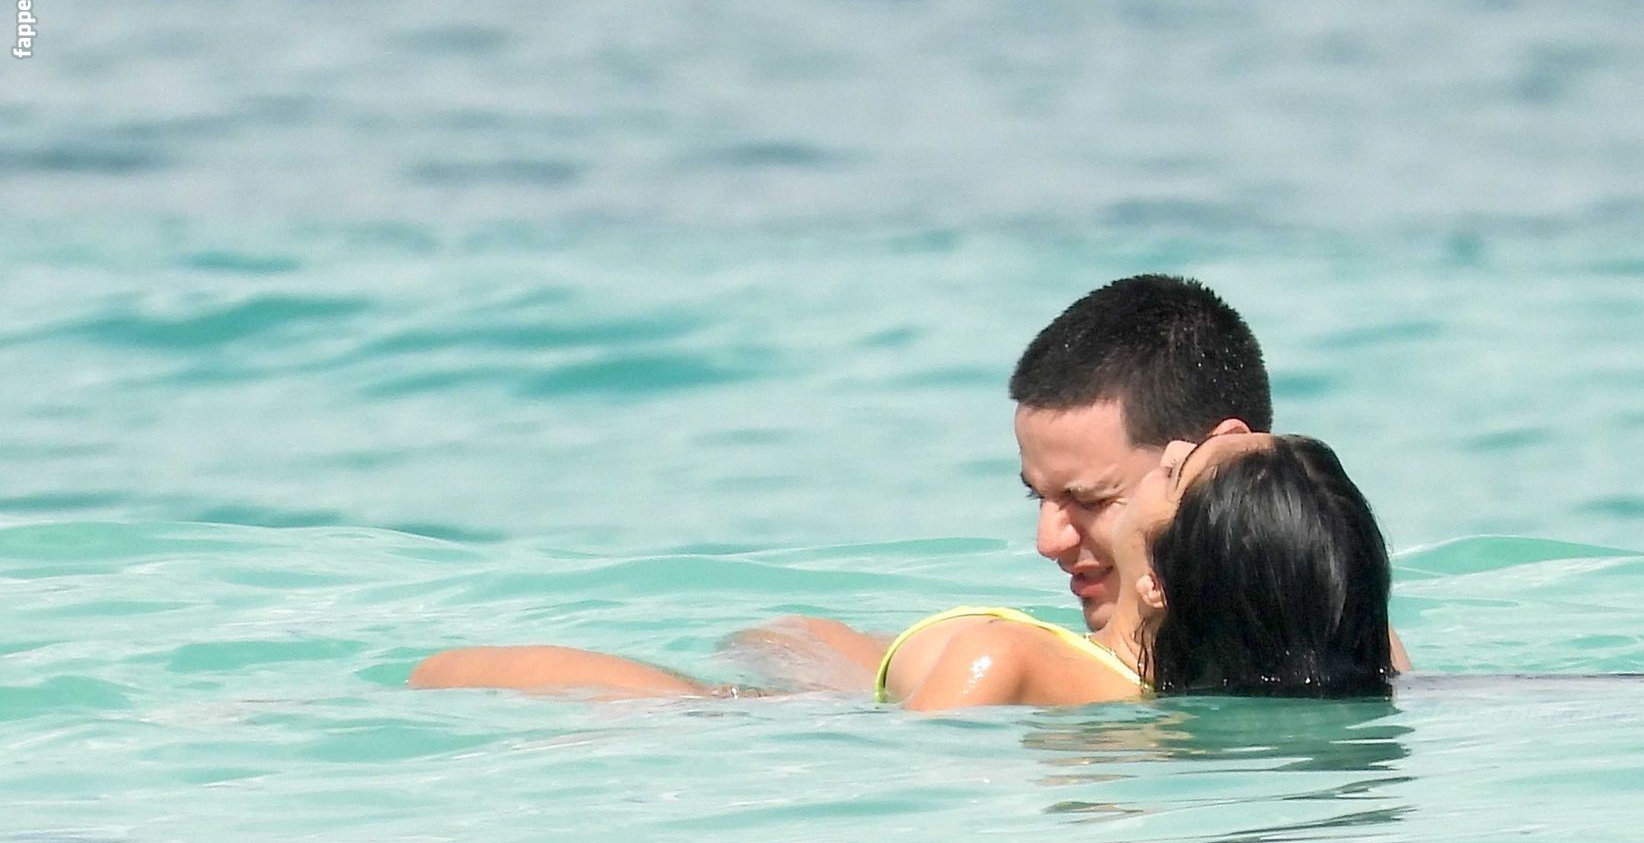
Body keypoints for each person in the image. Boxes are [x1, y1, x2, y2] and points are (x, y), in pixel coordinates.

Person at [410, 432, 1397, 709]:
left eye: (1175, 473)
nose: (1180, 444)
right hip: (840, 661)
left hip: (765, 709)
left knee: (439, 671)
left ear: (1163, 584)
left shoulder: (1005, 662)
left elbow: (906, 786)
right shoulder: (1358, 649)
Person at [744, 274, 1407, 683]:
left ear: (1226, 451)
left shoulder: (1007, 663)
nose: (1048, 542)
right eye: (1038, 497)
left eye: (1090, 498)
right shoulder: (1350, 650)